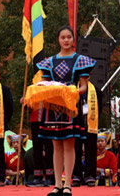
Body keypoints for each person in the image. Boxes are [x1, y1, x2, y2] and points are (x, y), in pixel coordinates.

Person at [35, 26, 96, 196]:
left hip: (71, 107)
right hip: (53, 107)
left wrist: (74, 91)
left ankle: (68, 183)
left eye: (69, 37)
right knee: (55, 145)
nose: (66, 40)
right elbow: (44, 83)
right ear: (58, 40)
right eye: (63, 37)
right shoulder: (49, 62)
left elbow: (83, 85)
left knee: (69, 145)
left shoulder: (80, 60)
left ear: (73, 40)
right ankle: (57, 184)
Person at [72, 81, 101, 187]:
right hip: (76, 124)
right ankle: (76, 176)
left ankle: (90, 176)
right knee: (75, 150)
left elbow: (100, 108)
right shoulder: (73, 88)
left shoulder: (96, 90)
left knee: (91, 151)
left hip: (90, 125)